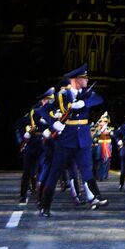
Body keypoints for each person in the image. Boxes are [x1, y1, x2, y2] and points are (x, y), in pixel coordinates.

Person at [36, 64, 107, 217]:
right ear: (76, 80)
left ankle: (96, 197)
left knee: (87, 170)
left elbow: (98, 99)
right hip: (66, 140)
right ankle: (44, 206)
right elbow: (42, 110)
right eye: (84, 78)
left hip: (83, 139)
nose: (87, 80)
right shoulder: (62, 95)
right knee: (55, 173)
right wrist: (52, 123)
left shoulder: (86, 94)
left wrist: (84, 103)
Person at [16, 87, 55, 204]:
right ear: (43, 100)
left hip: (45, 144)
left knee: (44, 171)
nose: (48, 102)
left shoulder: (54, 112)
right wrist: (25, 134)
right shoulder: (34, 111)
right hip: (32, 143)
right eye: (47, 100)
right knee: (27, 171)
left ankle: (41, 198)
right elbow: (20, 123)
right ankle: (23, 195)